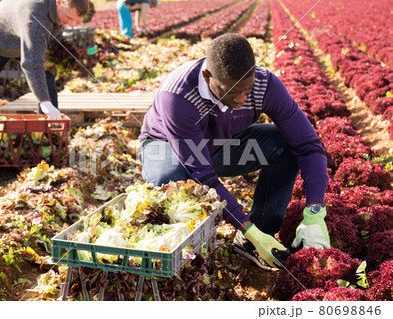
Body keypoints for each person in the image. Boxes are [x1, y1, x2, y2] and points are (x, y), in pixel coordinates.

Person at [138, 33, 330, 270]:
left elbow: (308, 144)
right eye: (231, 92)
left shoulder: (264, 84)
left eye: (246, 90)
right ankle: (184, 255)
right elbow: (202, 174)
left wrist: (314, 211)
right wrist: (244, 224)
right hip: (166, 147)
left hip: (220, 146)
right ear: (207, 76)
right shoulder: (178, 96)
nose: (241, 99)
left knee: (286, 145)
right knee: (171, 178)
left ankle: (259, 233)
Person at [0, 0, 90, 149]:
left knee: (48, 81)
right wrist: (45, 102)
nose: (69, 23)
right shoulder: (35, 15)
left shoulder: (59, 14)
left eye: (74, 21)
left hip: (24, 39)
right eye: (69, 18)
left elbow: (48, 39)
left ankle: (49, 142)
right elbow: (32, 63)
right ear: (59, 2)